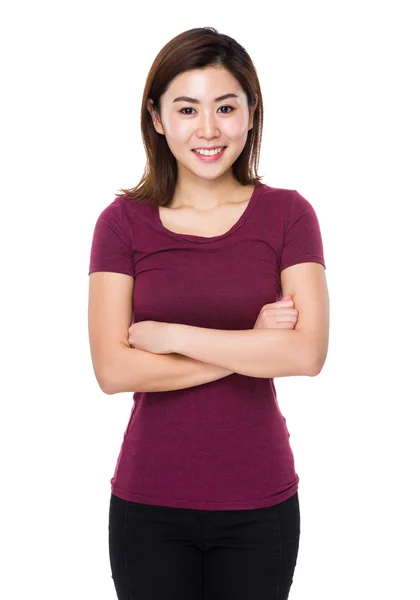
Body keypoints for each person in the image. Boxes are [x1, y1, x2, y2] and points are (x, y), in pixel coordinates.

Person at [88, 26, 329, 600]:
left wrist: (170, 335)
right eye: (187, 108)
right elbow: (113, 371)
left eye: (225, 106)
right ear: (157, 117)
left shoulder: (290, 216)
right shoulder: (121, 224)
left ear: (251, 113)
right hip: (147, 504)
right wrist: (250, 344)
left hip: (259, 503)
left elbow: (306, 353)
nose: (209, 129)